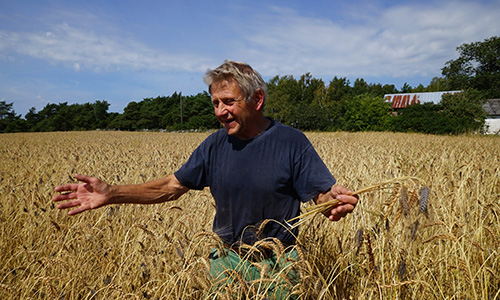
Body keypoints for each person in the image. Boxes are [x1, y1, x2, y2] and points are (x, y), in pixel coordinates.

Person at [53, 60, 358, 298]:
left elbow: (321, 195)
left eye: (228, 101)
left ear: (257, 99)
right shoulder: (214, 145)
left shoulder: (292, 142)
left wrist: (336, 201)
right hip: (225, 262)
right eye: (215, 103)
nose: (220, 111)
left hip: (277, 266)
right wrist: (112, 193)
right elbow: (171, 187)